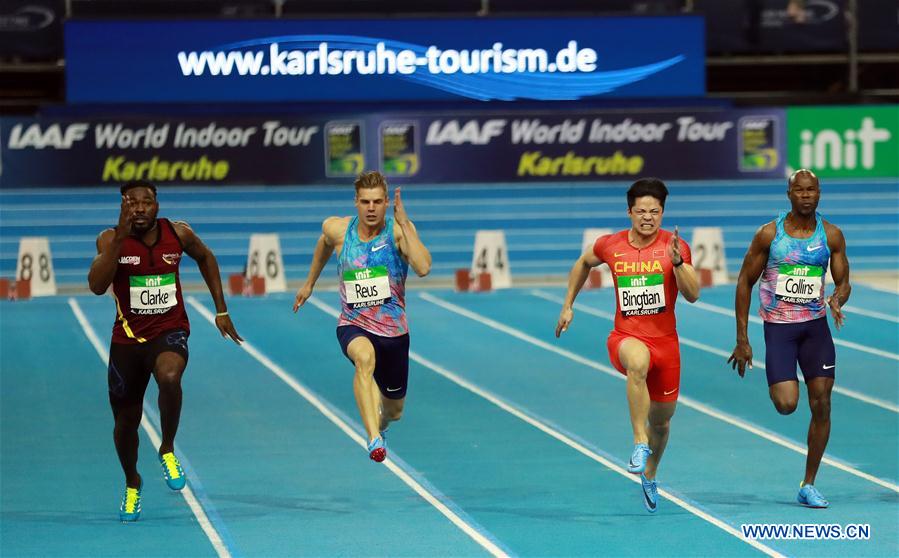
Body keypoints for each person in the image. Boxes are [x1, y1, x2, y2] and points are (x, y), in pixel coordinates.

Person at [88, 180, 242, 522]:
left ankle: (167, 448)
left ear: (157, 205)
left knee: (170, 376)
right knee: (125, 423)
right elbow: (97, 286)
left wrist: (221, 309)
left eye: (146, 202)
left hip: (169, 331)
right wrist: (120, 237)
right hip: (128, 341)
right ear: (123, 206)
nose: (140, 208)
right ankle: (132, 482)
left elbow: (206, 257)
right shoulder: (109, 239)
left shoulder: (178, 233)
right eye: (132, 203)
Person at [555, 177, 699, 513]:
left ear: (662, 213)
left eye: (655, 212)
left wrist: (678, 263)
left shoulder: (675, 246)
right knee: (637, 362)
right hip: (626, 337)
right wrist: (568, 304)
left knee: (662, 421)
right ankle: (638, 441)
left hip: (666, 344)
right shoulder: (611, 244)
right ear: (630, 212)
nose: (648, 218)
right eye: (641, 211)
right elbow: (583, 263)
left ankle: (650, 473)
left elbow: (693, 295)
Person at [728, 169, 850, 508]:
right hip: (779, 329)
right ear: (789, 194)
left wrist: (838, 299)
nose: (806, 196)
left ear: (819, 193)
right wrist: (742, 339)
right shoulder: (770, 235)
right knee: (786, 404)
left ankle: (808, 483)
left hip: (815, 328)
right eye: (800, 190)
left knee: (822, 403)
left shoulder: (832, 235)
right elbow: (744, 282)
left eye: (812, 190)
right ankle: (781, 382)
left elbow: (843, 282)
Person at [293, 171, 431, 463]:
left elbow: (423, 267)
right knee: (364, 359)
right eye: (365, 202)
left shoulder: (398, 232)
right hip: (353, 324)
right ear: (356, 201)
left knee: (395, 411)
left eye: (377, 202)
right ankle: (373, 438)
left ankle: (381, 424)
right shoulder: (338, 229)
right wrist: (309, 283)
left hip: (393, 333)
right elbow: (323, 244)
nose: (371, 208)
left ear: (386, 203)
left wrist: (405, 223)